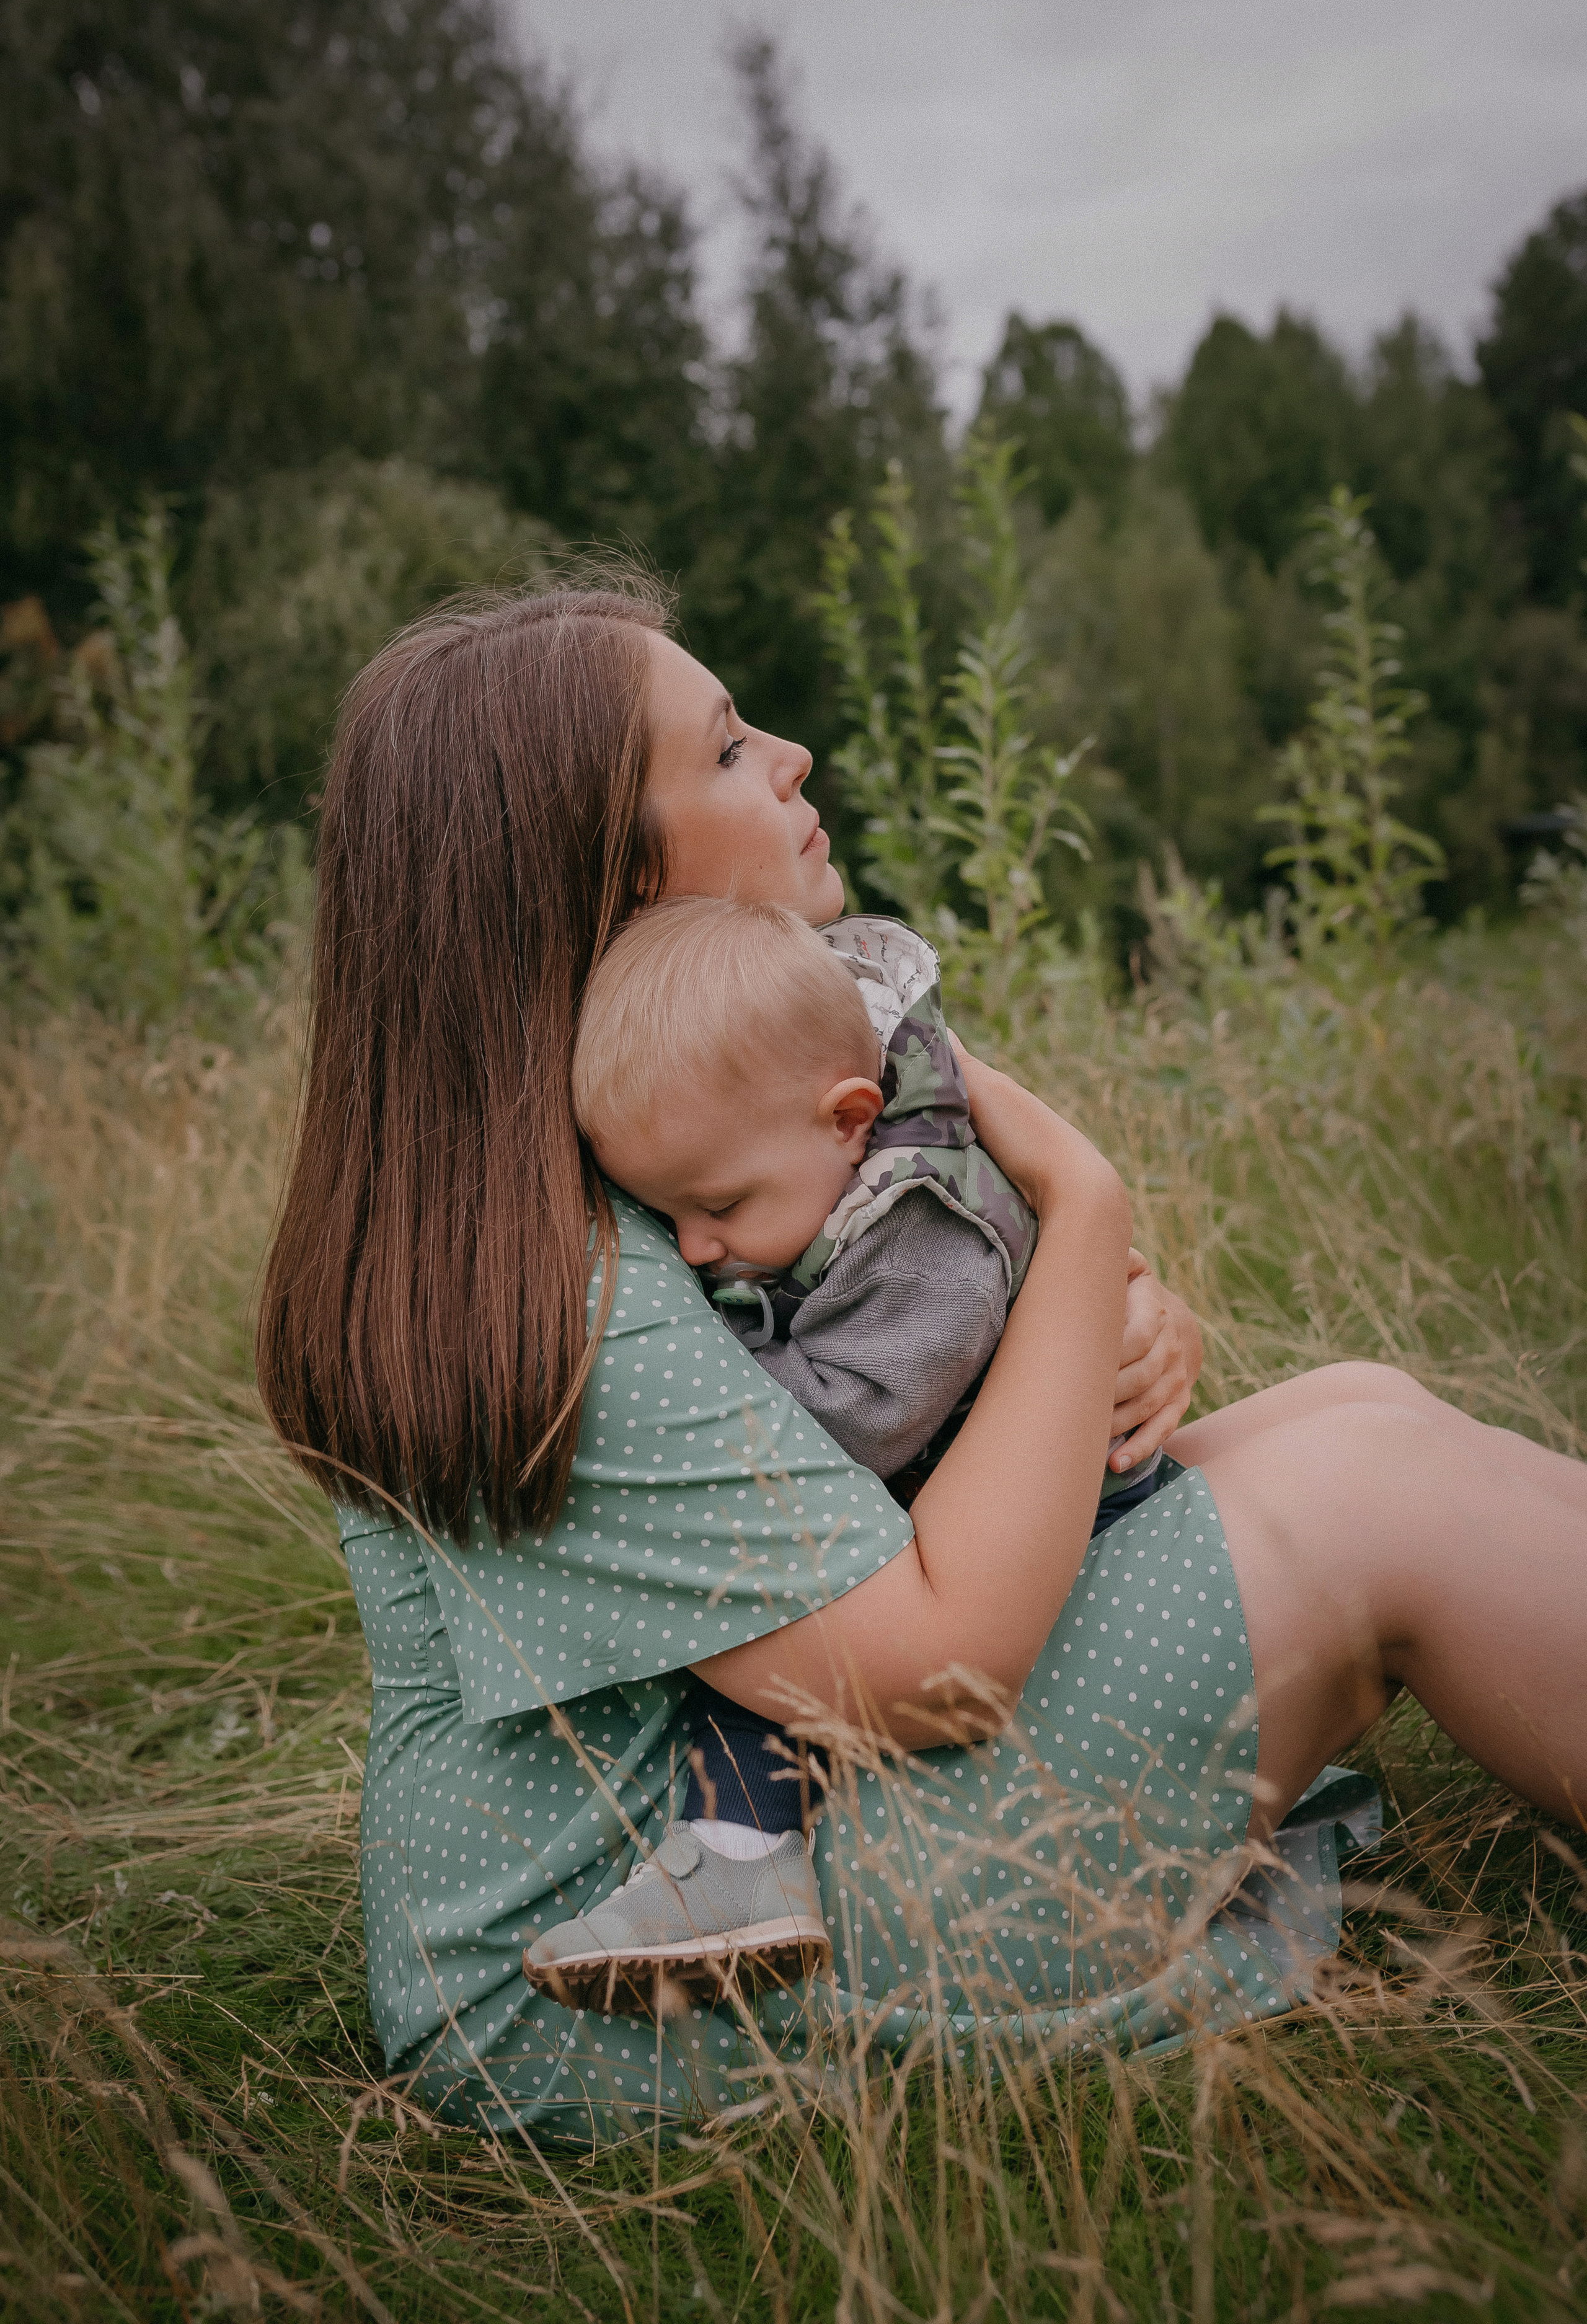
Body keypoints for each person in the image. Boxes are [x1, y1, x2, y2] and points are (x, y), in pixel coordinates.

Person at [257, 582, 1587, 2147]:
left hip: (762, 1833)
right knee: (1375, 1497)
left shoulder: (630, 1148)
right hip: (624, 1959)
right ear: (615, 873)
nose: (795, 758)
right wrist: (1085, 1214)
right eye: (733, 748)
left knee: (1355, 1407)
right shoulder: (569, 1292)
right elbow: (938, 1671)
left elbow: (935, 1313)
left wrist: (1098, 1323)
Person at [521, 892, 1167, 2010]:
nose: (694, 1247)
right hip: (970, 1510)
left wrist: (714, 1386)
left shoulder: (920, 1227)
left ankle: (735, 1861)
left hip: (1048, 1516)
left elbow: (867, 1413)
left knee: (783, 1632)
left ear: (848, 1116)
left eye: (717, 1204)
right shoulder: (826, 1162)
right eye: (663, 1215)